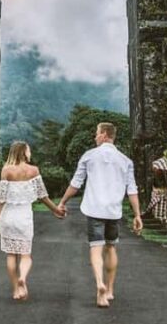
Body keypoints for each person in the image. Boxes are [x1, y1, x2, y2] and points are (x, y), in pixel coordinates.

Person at [57, 122, 143, 308]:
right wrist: (137, 215)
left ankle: (99, 284)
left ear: (104, 134)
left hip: (94, 209)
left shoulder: (89, 156)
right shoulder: (125, 160)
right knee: (111, 248)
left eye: (96, 133)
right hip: (113, 210)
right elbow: (132, 190)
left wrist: (62, 202)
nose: (95, 137)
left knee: (96, 248)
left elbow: (76, 183)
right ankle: (110, 290)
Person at [0, 141, 64, 300]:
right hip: (24, 216)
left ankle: (16, 289)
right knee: (25, 254)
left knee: (10, 255)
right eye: (29, 150)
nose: (30, 153)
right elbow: (43, 196)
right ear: (24, 152)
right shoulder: (34, 170)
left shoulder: (7, 170)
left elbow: (0, 199)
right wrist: (56, 209)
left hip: (8, 216)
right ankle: (23, 277)